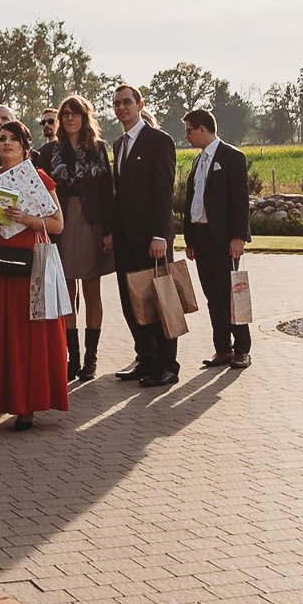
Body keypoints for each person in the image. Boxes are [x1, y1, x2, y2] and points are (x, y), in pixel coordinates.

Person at [0, 120, 68, 432]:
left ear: (25, 145)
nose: (5, 144)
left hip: (29, 261)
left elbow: (58, 224)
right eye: (1, 139)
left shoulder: (40, 178)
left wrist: (27, 219)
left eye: (12, 139)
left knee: (25, 333)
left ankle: (26, 407)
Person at [39, 95, 113, 381]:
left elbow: (107, 192)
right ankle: (73, 357)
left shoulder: (97, 149)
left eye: (75, 114)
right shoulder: (49, 151)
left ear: (85, 117)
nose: (70, 118)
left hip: (92, 222)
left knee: (92, 292)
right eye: (65, 114)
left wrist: (109, 230)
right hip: (63, 224)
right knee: (67, 295)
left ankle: (91, 357)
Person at [110, 85, 179, 387]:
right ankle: (145, 359)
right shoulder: (118, 144)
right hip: (126, 239)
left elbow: (164, 192)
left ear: (140, 104)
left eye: (127, 102)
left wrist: (160, 235)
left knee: (160, 301)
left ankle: (167, 366)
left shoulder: (158, 140)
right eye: (116, 103)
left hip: (153, 239)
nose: (122, 107)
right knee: (132, 300)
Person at [182, 108, 253, 369]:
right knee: (212, 296)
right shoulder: (197, 161)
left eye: (189, 130)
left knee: (231, 295)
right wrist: (189, 239)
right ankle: (221, 349)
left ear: (202, 129)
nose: (187, 136)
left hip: (223, 238)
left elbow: (240, 200)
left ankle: (242, 349)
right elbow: (193, 201)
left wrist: (238, 237)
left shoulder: (232, 157)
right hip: (201, 238)